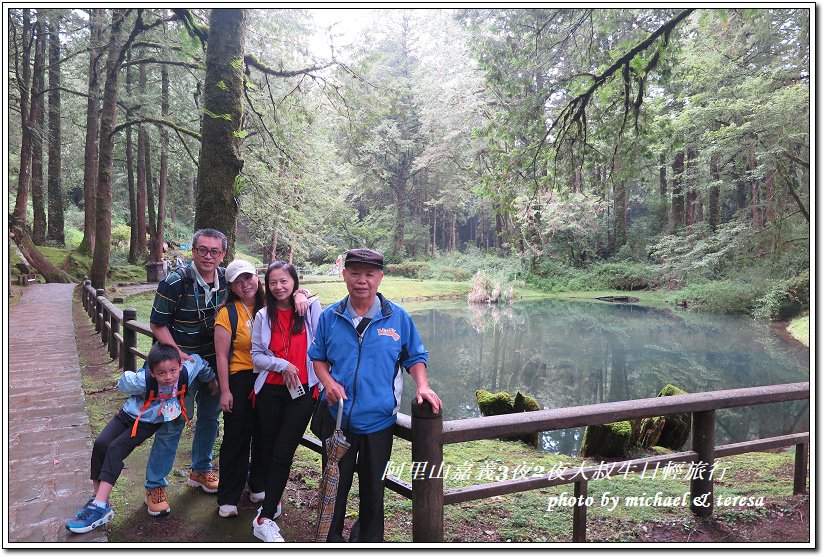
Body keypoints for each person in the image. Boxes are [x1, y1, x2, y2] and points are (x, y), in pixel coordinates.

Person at [308, 248, 442, 542]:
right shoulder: (331, 316)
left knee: (373, 489)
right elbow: (317, 357)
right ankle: (330, 540)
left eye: (369, 274)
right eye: (355, 273)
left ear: (380, 278)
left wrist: (422, 385)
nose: (362, 280)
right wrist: (328, 382)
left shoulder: (397, 318)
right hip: (338, 420)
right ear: (344, 275)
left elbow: (414, 356)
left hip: (379, 423)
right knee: (334, 486)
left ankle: (369, 541)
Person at [65, 343, 215, 534]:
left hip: (146, 423)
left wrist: (211, 380)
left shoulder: (186, 371)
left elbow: (200, 363)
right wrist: (138, 382)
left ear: (180, 365)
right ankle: (98, 500)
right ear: (151, 372)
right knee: (101, 444)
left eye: (173, 371)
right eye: (161, 373)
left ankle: (100, 506)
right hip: (128, 414)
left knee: (115, 449)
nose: (168, 377)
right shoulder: (143, 380)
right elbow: (123, 383)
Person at [144, 228, 228, 516]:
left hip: (214, 363)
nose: (208, 256)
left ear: (222, 255)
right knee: (173, 422)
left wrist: (301, 292)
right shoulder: (175, 281)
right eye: (202, 250)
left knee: (209, 419)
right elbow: (158, 324)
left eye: (214, 251)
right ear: (193, 251)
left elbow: (256, 294)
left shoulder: (227, 280)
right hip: (180, 367)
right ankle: (155, 485)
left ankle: (200, 470)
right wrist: (180, 358)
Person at [249, 261, 322, 543]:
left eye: (285, 281)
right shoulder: (263, 316)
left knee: (283, 451)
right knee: (268, 447)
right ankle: (274, 499)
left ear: (294, 282)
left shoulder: (310, 308)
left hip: (303, 393)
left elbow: (323, 344)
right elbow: (256, 356)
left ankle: (264, 517)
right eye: (273, 282)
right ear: (267, 286)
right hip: (270, 390)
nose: (279, 287)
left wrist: (305, 294)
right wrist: (282, 365)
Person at [214, 259, 267, 519]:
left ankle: (258, 484)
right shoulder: (228, 313)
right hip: (240, 377)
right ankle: (228, 496)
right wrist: (225, 390)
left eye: (248, 277)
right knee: (236, 436)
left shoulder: (271, 306)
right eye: (238, 281)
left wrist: (301, 294)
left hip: (268, 378)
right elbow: (222, 356)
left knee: (264, 433)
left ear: (257, 277)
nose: (245, 284)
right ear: (232, 287)